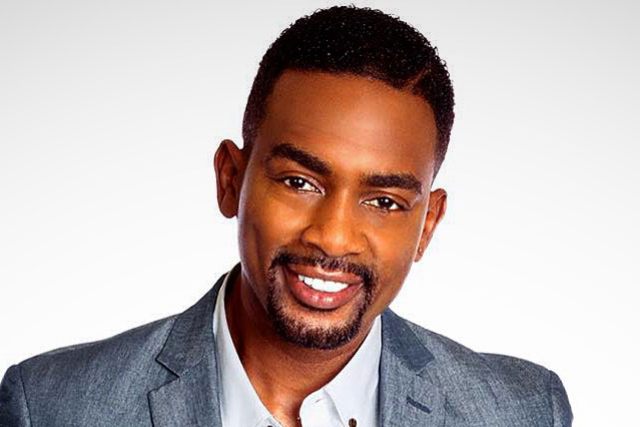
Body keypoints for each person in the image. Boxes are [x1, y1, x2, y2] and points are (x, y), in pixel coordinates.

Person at [0, 5, 572, 427]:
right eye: (300, 182)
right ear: (231, 179)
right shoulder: (52, 406)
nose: (333, 237)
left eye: (384, 201)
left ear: (427, 225)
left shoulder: (522, 411)